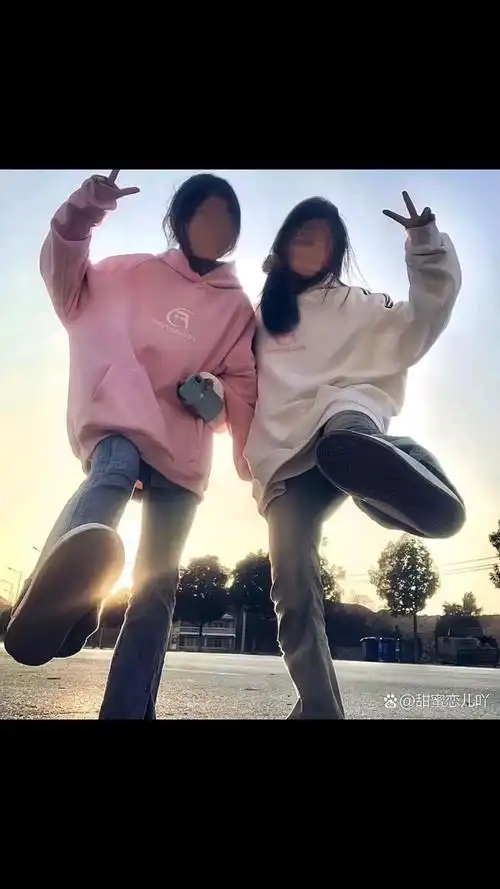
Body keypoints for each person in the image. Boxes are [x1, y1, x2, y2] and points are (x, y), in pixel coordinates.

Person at [5, 170, 256, 720]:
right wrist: (86, 207)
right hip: (121, 421)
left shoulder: (239, 309)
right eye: (205, 213)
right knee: (113, 471)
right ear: (180, 220)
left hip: (185, 454)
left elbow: (243, 389)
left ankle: (127, 709)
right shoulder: (130, 271)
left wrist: (212, 394)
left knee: (156, 590)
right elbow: (66, 277)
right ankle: (62, 601)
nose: (215, 225)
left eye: (227, 218)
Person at [244, 191, 464, 720]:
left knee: (347, 424)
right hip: (284, 456)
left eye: (322, 241)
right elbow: (228, 372)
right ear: (284, 245)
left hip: (344, 419)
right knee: (291, 586)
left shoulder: (356, 304)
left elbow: (421, 321)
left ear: (335, 254)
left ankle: (395, 467)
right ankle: (319, 708)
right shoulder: (260, 316)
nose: (310, 247)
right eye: (303, 236)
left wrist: (425, 244)